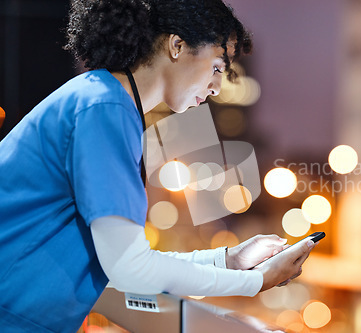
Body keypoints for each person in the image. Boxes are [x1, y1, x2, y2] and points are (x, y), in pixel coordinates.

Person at [0, 0, 316, 332]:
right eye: (218, 68)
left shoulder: (101, 100)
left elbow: (128, 256)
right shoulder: (104, 109)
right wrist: (255, 282)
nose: (218, 87)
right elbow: (130, 268)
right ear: (177, 46)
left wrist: (230, 261)